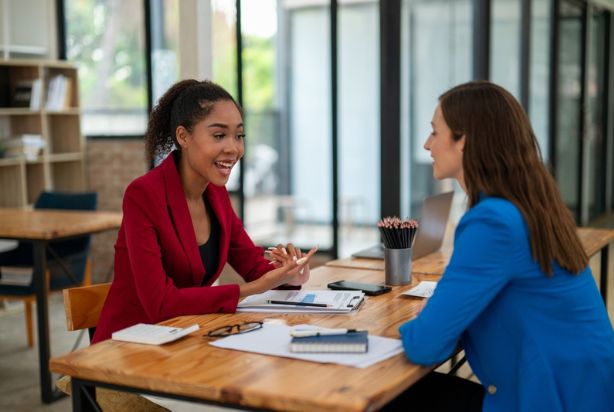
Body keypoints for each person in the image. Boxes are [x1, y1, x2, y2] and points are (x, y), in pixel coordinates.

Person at [390, 81, 614, 411]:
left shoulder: (492, 221)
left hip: (548, 397)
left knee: (392, 399)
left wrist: (423, 322)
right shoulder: (528, 204)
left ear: (463, 141)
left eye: (435, 132)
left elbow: (426, 345)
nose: (427, 145)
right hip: (580, 388)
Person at [93, 79, 316, 344]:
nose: (233, 148)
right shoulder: (143, 194)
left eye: (239, 135)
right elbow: (160, 303)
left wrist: (288, 272)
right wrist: (253, 289)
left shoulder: (215, 193)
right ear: (183, 136)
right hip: (128, 347)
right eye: (219, 135)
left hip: (185, 337)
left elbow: (253, 263)